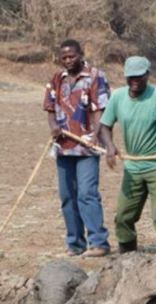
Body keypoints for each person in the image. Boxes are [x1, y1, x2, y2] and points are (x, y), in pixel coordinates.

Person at [98, 56, 156, 260]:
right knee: (123, 217)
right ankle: (127, 262)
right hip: (133, 166)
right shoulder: (118, 97)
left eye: (139, 76)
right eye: (131, 77)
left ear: (147, 75)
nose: (135, 81)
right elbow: (105, 126)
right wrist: (110, 146)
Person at [43, 39, 110, 257]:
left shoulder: (95, 76)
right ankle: (75, 244)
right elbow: (50, 108)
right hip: (63, 147)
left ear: (81, 54)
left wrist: (96, 135)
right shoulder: (57, 79)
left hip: (87, 148)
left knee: (87, 193)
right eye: (64, 57)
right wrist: (54, 127)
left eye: (72, 56)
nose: (68, 61)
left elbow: (101, 111)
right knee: (67, 196)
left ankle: (98, 243)